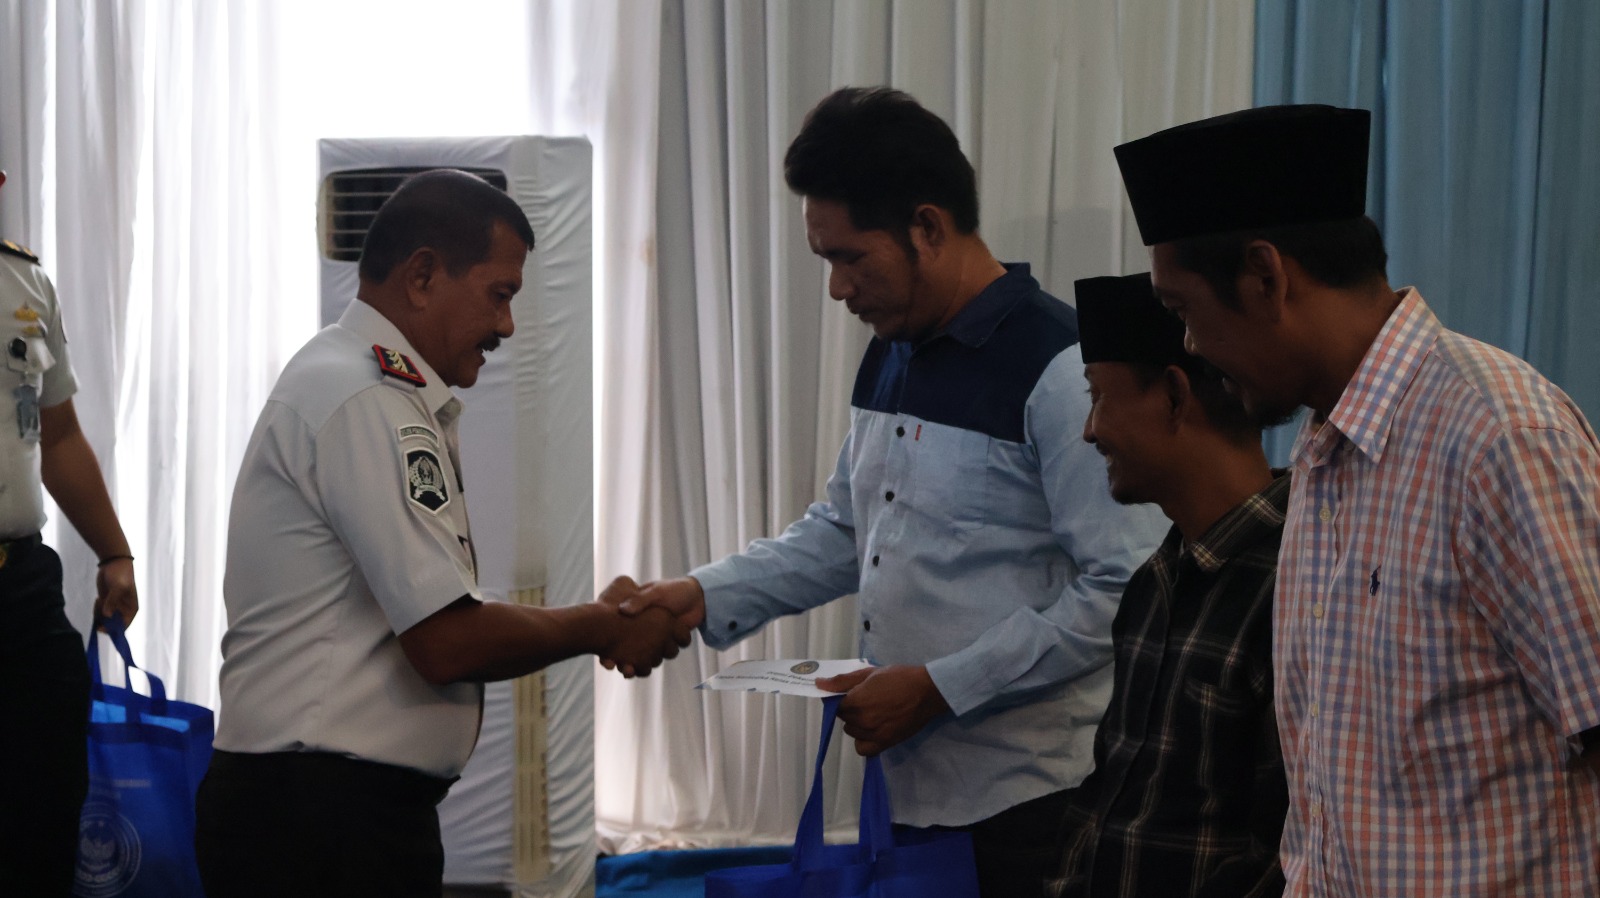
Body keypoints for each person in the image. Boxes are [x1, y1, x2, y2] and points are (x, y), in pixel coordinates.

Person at [610, 87, 1167, 896]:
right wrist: (698, 596)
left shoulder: (1058, 369)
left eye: (849, 259)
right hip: (905, 794)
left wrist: (942, 687)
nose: (838, 289)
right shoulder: (895, 349)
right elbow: (847, 529)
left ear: (928, 228)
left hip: (1030, 810)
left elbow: (1127, 588)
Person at [1115, 104, 1600, 896]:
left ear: (1266, 277)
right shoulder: (1323, 448)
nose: (1191, 346)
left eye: (1183, 311)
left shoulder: (1497, 436)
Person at [195, 169, 691, 898]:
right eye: (500, 294)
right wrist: (602, 625)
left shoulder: (359, 383)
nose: (507, 326)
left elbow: (434, 616)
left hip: (326, 810)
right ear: (423, 276)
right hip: (318, 819)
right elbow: (446, 640)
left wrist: (597, 619)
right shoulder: (365, 396)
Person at [1045, 272, 1287, 898]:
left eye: (1100, 397)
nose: (1089, 430)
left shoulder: (1295, 585)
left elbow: (1289, 849)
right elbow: (1109, 806)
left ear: (1176, 397)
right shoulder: (1155, 582)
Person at [0, 168, 140, 895]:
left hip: (20, 584)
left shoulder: (23, 282)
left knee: (45, 800)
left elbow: (57, 437)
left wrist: (114, 550)